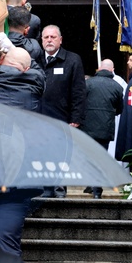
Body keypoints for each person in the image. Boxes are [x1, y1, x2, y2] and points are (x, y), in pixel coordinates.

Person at [0, 45, 46, 255]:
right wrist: (10, 48)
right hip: (18, 180)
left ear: (1, 61)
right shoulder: (33, 83)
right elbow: (38, 71)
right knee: (6, 242)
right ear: (26, 69)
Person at [39, 24, 86, 197]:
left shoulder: (72, 60)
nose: (49, 40)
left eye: (53, 37)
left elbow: (79, 91)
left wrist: (76, 118)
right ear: (41, 40)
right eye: (46, 37)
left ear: (60, 40)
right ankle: (44, 189)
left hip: (62, 118)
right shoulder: (35, 59)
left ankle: (59, 191)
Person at [80, 59, 123, 199]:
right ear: (112, 70)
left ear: (99, 69)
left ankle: (91, 184)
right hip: (105, 127)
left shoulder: (88, 84)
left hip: (87, 127)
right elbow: (119, 109)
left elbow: (80, 103)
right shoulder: (117, 87)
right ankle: (96, 190)